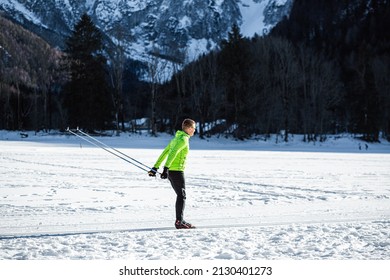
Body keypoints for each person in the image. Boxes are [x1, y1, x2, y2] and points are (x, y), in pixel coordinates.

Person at [148, 119, 196, 229]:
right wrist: (165, 169)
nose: (194, 130)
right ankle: (179, 221)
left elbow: (165, 152)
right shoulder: (183, 139)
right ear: (188, 128)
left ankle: (180, 220)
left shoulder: (176, 138)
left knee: (180, 195)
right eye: (193, 128)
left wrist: (155, 167)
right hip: (176, 171)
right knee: (181, 195)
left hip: (172, 171)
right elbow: (172, 154)